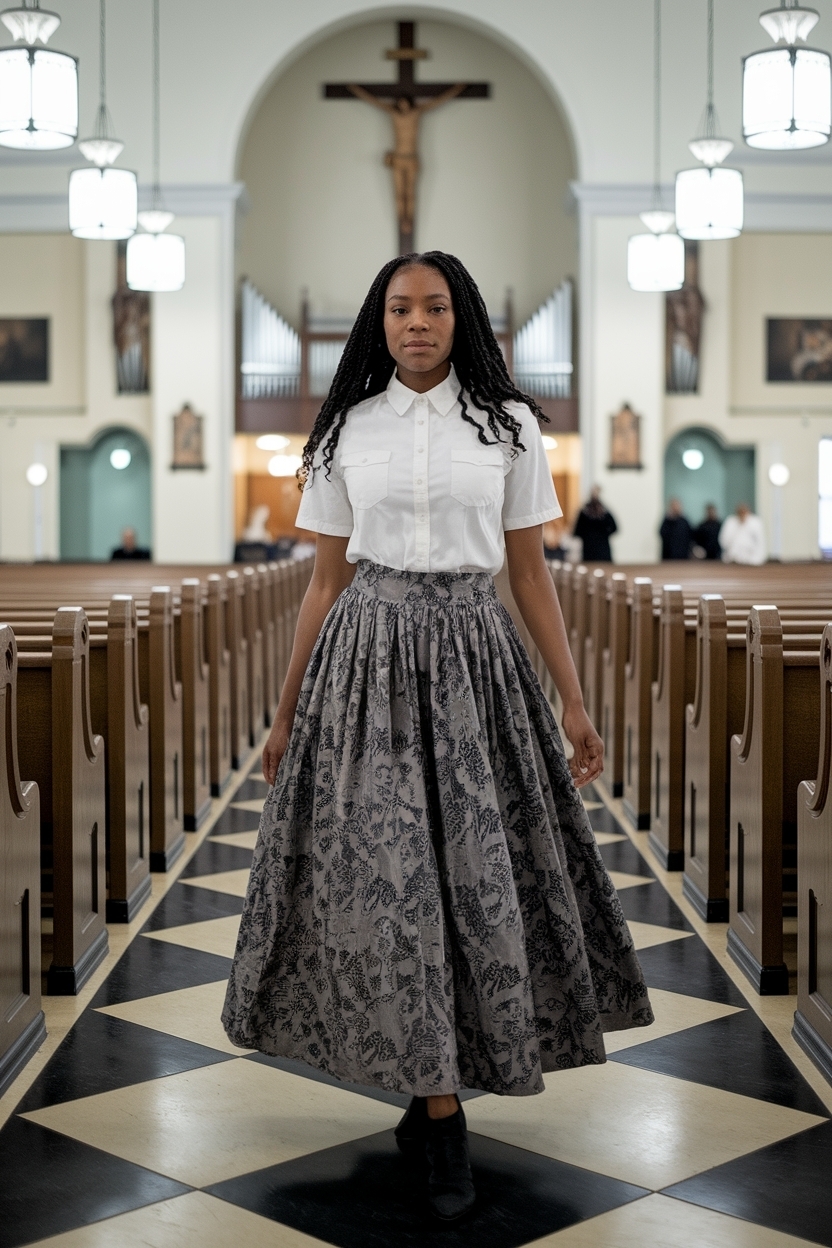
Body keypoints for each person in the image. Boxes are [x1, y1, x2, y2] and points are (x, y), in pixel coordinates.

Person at [222, 252, 653, 1222]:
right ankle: (440, 1104)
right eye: (398, 309)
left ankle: (437, 1094)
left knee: (469, 874)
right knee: (393, 882)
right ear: (377, 323)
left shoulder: (506, 430)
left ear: (460, 320)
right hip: (364, 669)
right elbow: (323, 583)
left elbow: (530, 575)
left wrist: (573, 703)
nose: (415, 322)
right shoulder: (344, 433)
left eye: (434, 307)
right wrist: (287, 713)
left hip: (473, 664)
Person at [573, 486, 617, 561]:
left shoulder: (604, 512)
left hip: (602, 551)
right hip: (589, 551)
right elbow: (577, 531)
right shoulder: (584, 513)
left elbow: (614, 528)